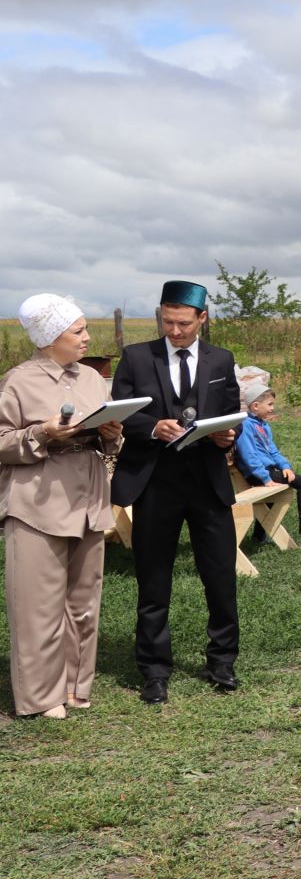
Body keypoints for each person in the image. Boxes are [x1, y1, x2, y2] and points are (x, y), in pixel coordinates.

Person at [110, 279, 244, 704]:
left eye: (183, 323)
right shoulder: (135, 357)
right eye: (167, 322)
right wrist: (151, 426)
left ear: (202, 318)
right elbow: (118, 413)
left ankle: (222, 661)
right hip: (154, 483)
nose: (175, 331)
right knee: (153, 580)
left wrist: (228, 436)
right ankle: (153, 670)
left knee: (220, 577)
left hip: (207, 483)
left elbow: (231, 413)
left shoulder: (222, 359)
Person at [0, 296, 123, 719]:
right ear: (51, 337)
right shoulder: (17, 381)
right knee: (37, 605)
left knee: (84, 599)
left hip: (88, 496)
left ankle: (75, 685)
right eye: (78, 331)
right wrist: (43, 432)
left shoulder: (91, 378)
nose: (88, 337)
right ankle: (40, 697)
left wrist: (110, 433)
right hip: (38, 499)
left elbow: (107, 438)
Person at [234, 379, 301, 545]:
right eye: (270, 404)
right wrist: (265, 478)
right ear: (256, 406)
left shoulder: (264, 425)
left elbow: (273, 450)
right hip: (257, 474)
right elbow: (248, 456)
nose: (273, 408)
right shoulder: (245, 426)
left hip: (269, 471)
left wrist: (285, 466)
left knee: (274, 497)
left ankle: (259, 536)